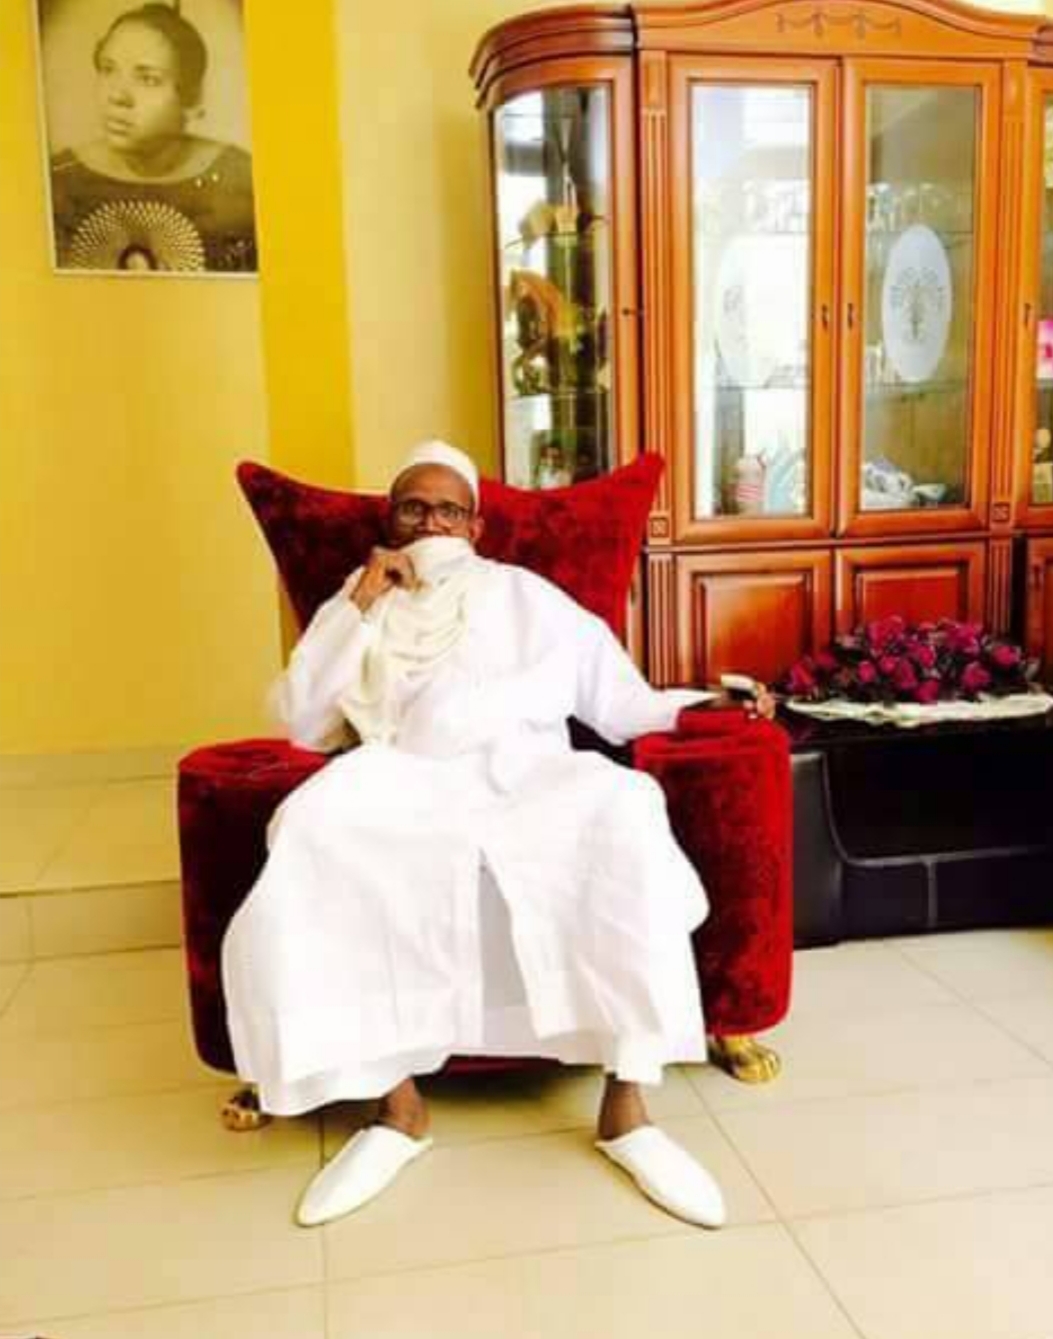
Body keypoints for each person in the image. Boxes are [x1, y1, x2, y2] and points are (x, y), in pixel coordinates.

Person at [222, 441, 748, 1231]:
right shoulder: (360, 599)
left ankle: (627, 1112)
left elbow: (621, 703)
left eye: (448, 510)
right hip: (403, 774)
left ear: (474, 526)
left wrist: (706, 704)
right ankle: (397, 1110)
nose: (431, 522)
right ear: (392, 522)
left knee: (626, 808)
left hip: (529, 775)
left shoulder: (527, 595)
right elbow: (302, 720)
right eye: (413, 507)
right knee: (311, 825)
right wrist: (362, 599)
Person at [49, 4, 256, 272]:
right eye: (108, 69)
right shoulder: (59, 179)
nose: (117, 96)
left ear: (191, 97)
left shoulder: (240, 180)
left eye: (148, 79)